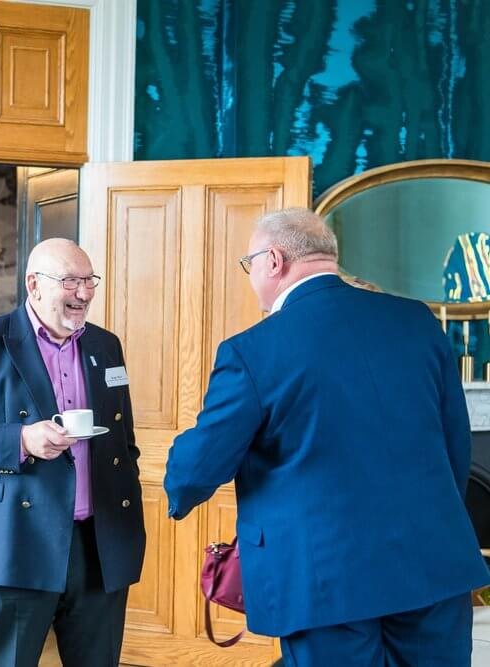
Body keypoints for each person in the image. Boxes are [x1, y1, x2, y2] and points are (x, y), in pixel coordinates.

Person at [164, 208, 490, 665]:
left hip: (324, 580)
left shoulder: (253, 351)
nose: (252, 276)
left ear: (273, 260)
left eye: (249, 264)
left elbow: (197, 469)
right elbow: (455, 445)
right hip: (432, 564)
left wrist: (176, 478)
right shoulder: (417, 323)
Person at [0, 238, 144, 667]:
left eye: (89, 281)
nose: (83, 293)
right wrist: (23, 440)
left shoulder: (106, 346)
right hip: (16, 544)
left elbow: (124, 443)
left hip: (98, 547)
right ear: (34, 284)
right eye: (70, 281)